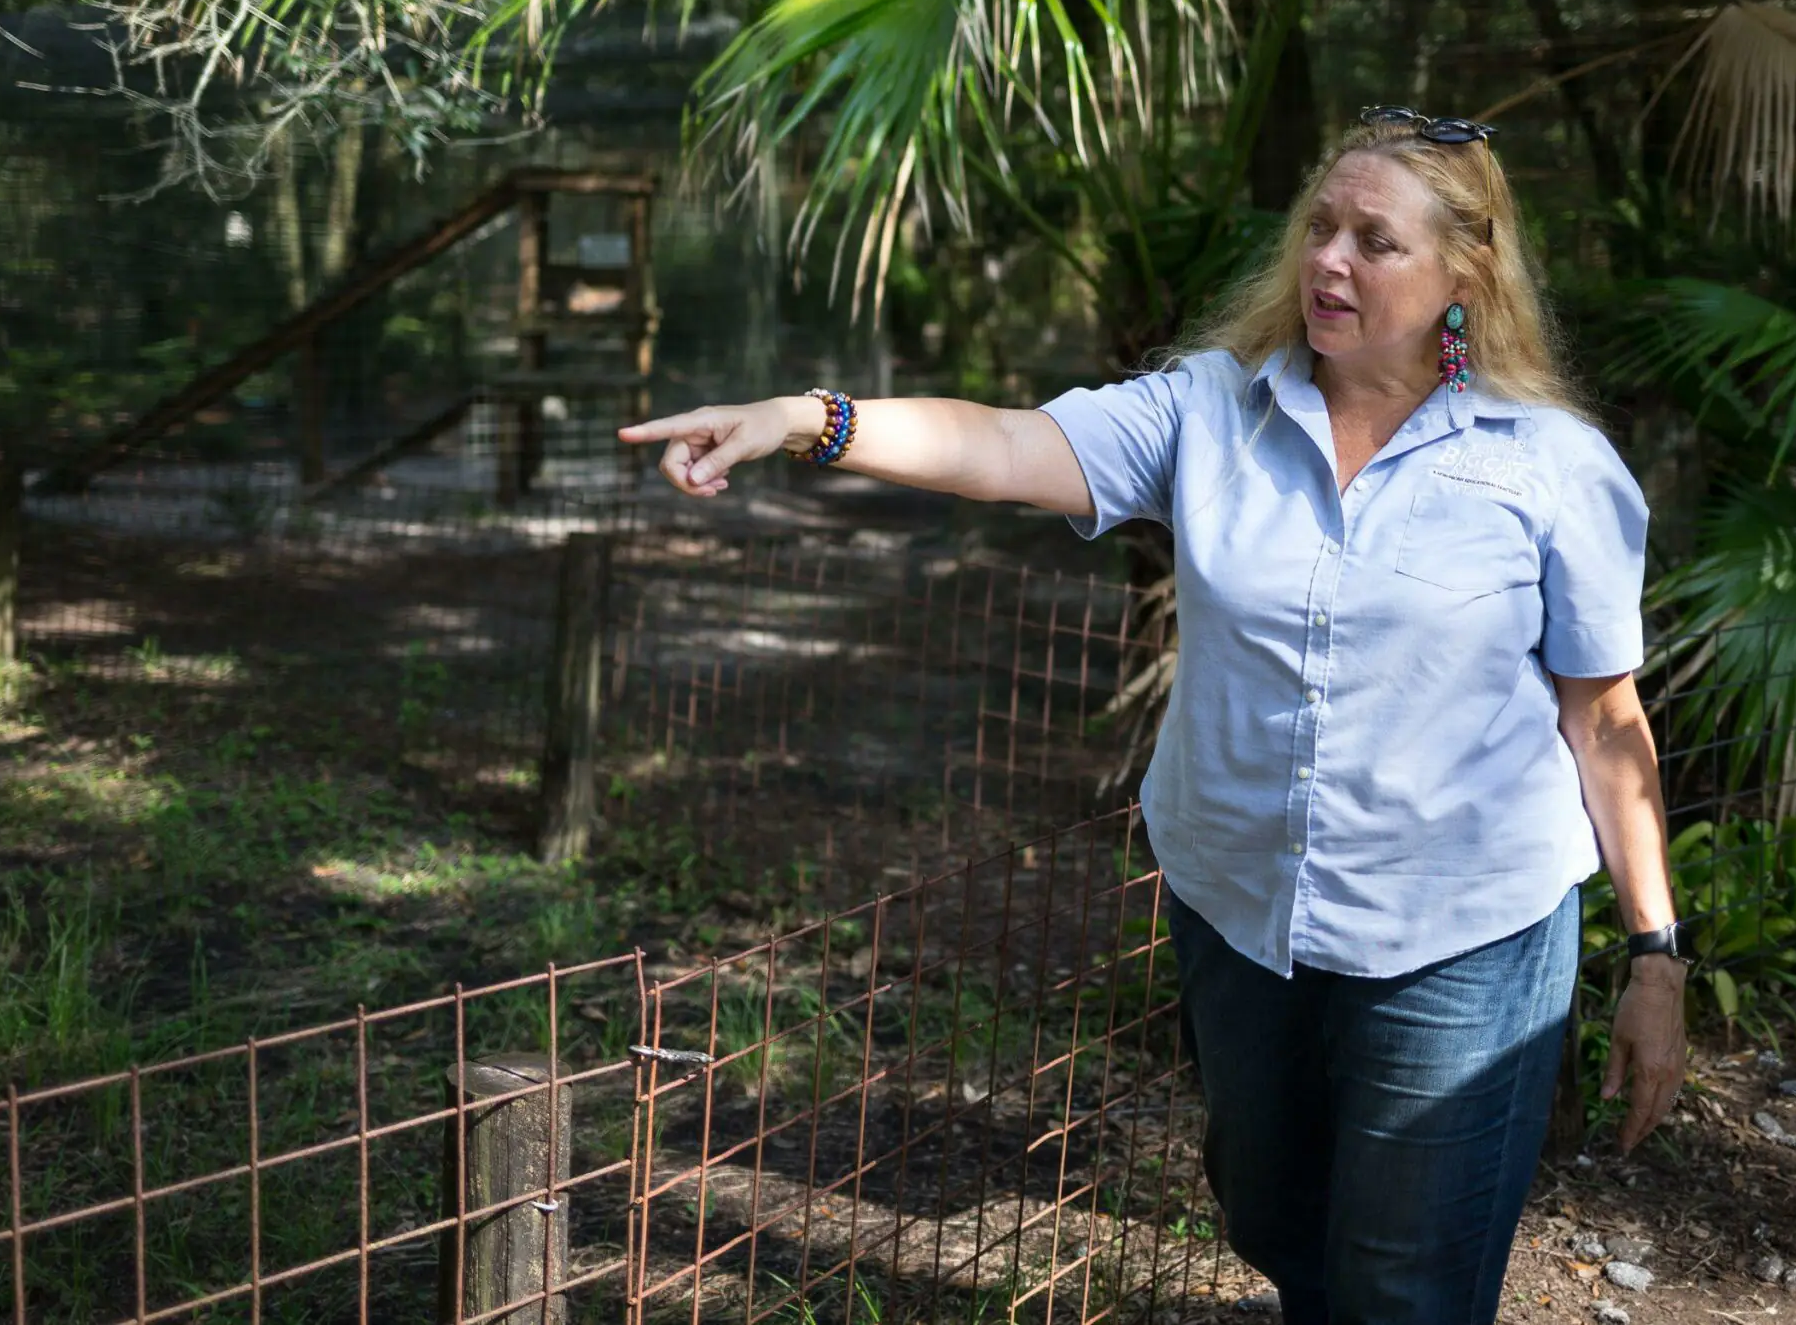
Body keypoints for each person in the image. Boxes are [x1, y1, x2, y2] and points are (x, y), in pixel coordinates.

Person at [618, 107, 1691, 1325]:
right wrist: (808, 419)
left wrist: (1654, 956)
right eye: (1319, 228)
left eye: (1374, 242)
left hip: (1458, 937)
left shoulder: (1550, 466)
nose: (1329, 260)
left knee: (1408, 1283)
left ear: (1464, 275)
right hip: (1243, 918)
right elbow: (1004, 446)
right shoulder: (1211, 412)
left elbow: (1606, 725)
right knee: (1273, 1219)